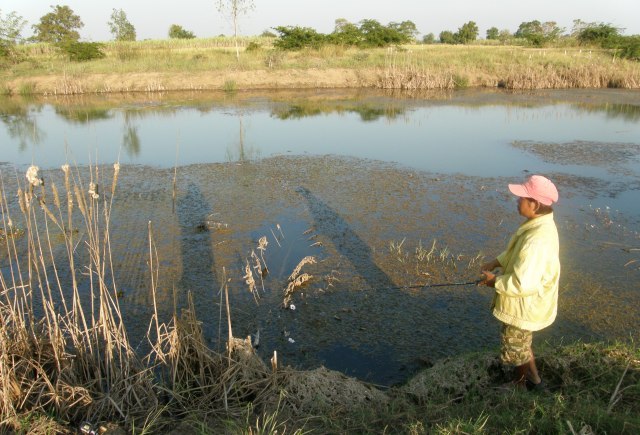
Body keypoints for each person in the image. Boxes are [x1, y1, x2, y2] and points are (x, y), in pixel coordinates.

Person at [480, 175, 560, 391]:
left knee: (515, 346)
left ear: (534, 204)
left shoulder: (537, 240)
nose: (517, 201)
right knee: (522, 343)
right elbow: (515, 253)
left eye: (521, 198)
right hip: (528, 303)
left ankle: (519, 384)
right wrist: (496, 262)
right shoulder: (536, 226)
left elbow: (523, 283)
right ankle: (536, 381)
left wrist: (494, 282)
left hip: (525, 305)